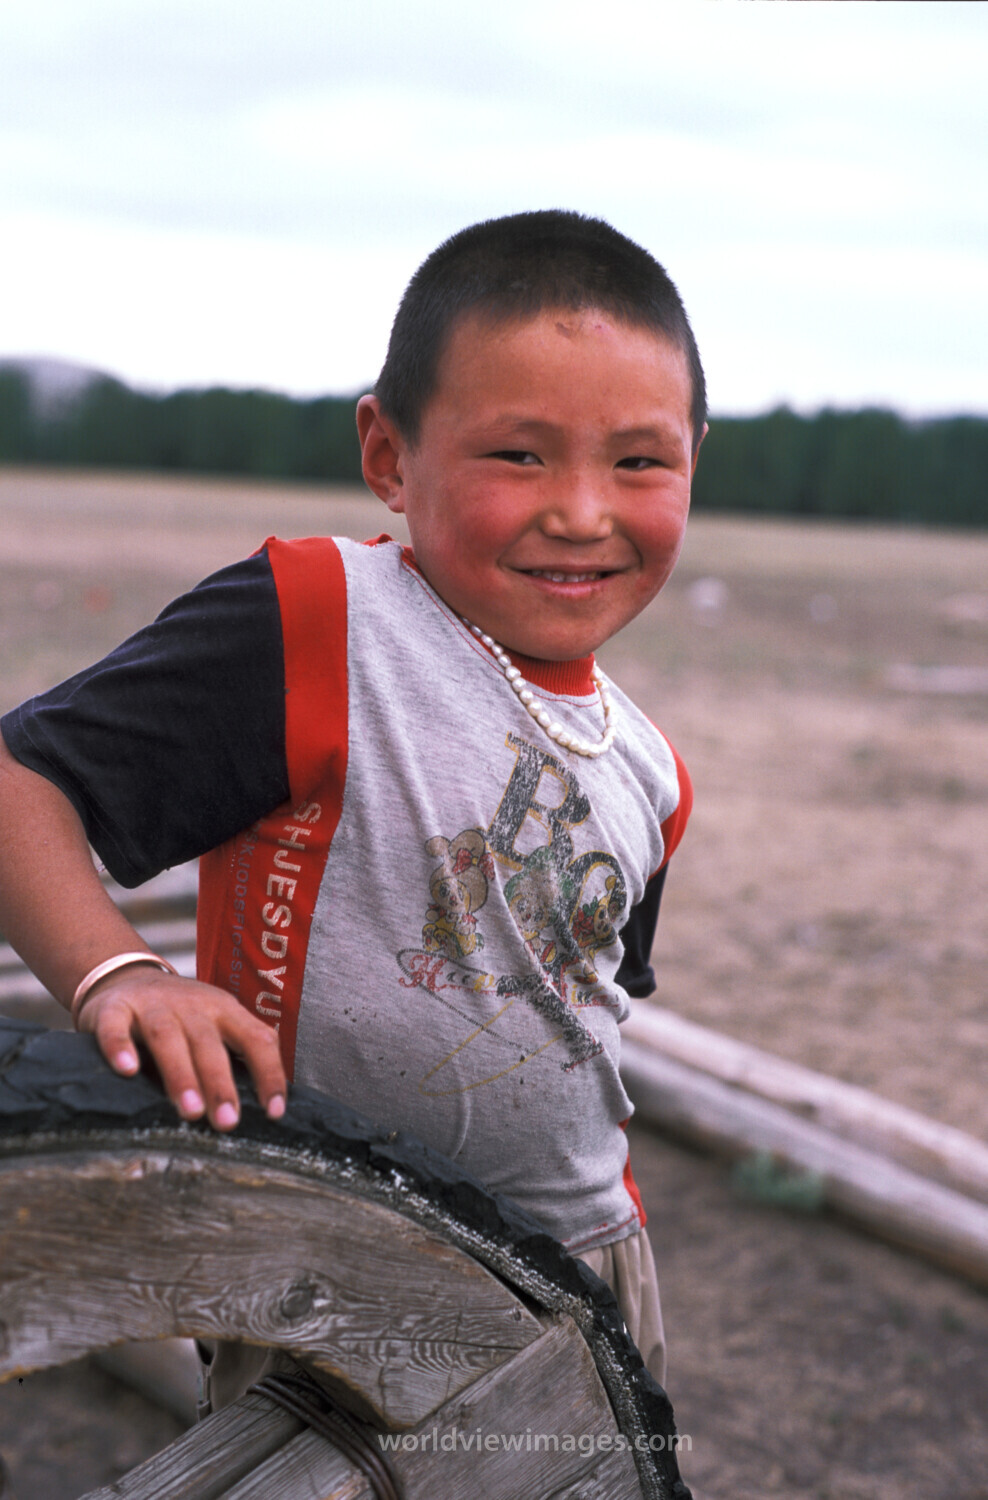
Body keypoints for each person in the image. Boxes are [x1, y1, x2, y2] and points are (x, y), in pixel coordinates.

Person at [0, 210, 706, 1392]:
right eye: (519, 455)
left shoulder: (651, 768)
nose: (582, 510)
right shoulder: (323, 621)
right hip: (329, 1247)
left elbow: (585, 1024)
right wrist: (118, 974)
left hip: (584, 1260)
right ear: (388, 455)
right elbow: (21, 783)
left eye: (639, 462)